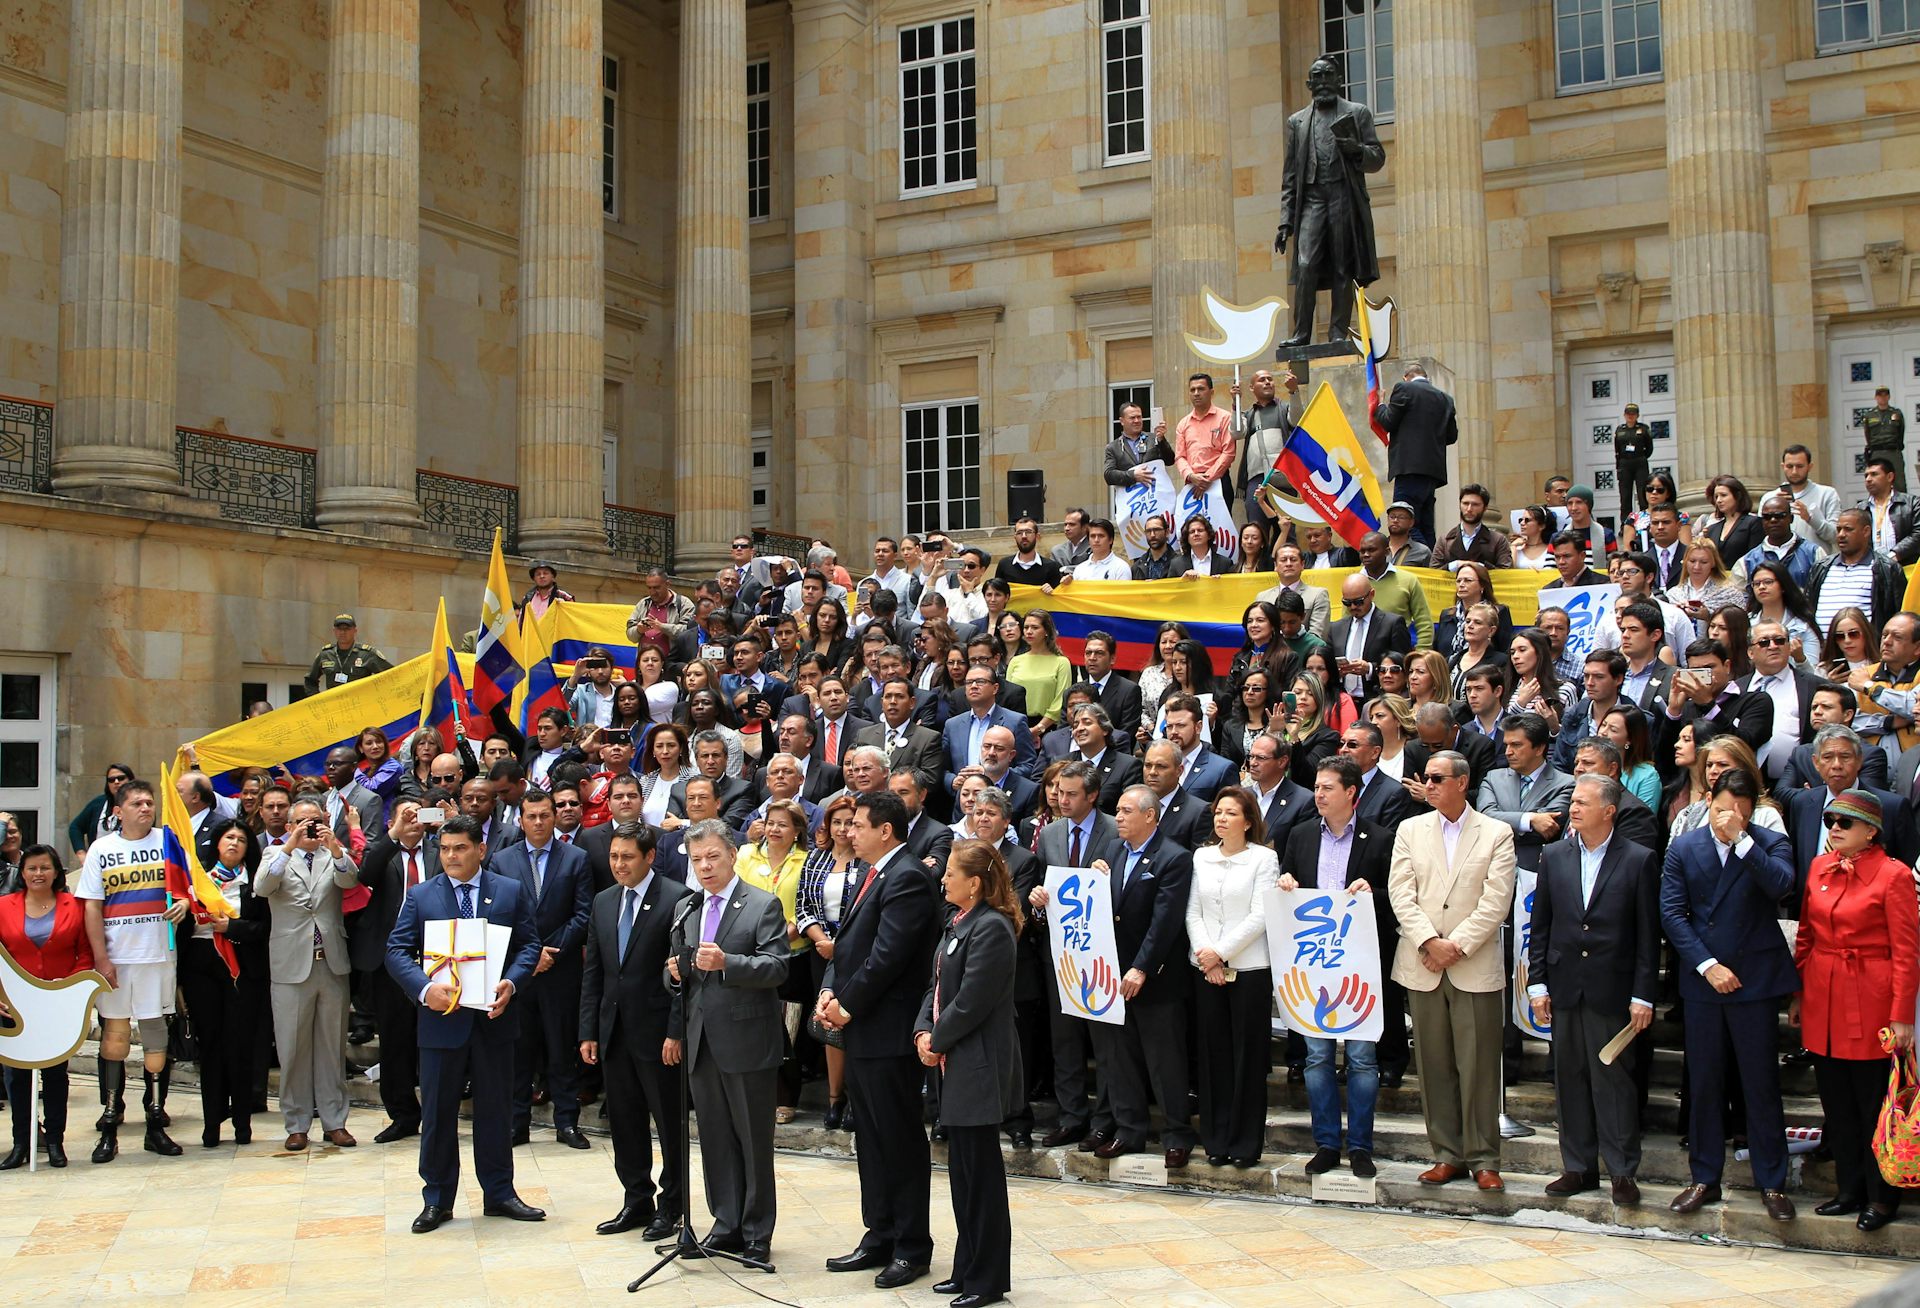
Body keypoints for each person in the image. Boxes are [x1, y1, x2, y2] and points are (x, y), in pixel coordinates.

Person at [389, 815, 545, 1232]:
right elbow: (397, 950)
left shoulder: (509, 891)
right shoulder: (421, 896)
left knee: (496, 1111)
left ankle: (500, 1193)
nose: (452, 856)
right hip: (441, 1022)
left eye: (460, 848)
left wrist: (512, 981)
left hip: (494, 1020)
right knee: (438, 1114)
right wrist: (424, 989)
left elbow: (529, 944)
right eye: (445, 849)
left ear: (480, 849)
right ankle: (437, 1199)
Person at [816, 792, 942, 1288]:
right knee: (869, 1139)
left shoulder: (907, 876)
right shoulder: (872, 872)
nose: (849, 832)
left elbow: (888, 956)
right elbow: (849, 945)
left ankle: (912, 1246)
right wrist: (831, 989)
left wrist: (847, 1004)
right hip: (863, 1029)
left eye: (859, 825)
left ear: (885, 830)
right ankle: (880, 1233)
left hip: (888, 1032)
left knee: (899, 1140)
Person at [1661, 771, 1798, 1220]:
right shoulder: (1686, 846)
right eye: (1723, 808)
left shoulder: (1766, 841)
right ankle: (1704, 1177)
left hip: (1755, 978)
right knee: (1704, 1082)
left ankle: (1772, 1182)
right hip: (1704, 980)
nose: (1730, 817)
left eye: (1740, 810)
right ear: (1708, 801)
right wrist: (1706, 965)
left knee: (1760, 1083)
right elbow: (1673, 912)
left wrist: (1743, 842)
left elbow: (1781, 886)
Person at [1387, 750, 1517, 1191]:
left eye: (1438, 778)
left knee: (1479, 1064)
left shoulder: (1496, 833)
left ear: (1462, 782)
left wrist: (1454, 946)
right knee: (1434, 1063)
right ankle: (1446, 1153)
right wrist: (1428, 940)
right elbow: (1400, 892)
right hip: (1422, 960)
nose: (1430, 783)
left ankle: (1484, 1158)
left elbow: (1496, 902)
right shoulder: (1410, 829)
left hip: (1472, 963)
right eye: (1428, 777)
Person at [662, 821, 789, 1266]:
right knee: (714, 1138)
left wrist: (728, 962)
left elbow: (777, 967)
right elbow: (676, 970)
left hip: (748, 1040)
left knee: (753, 1141)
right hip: (701, 1040)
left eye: (712, 856)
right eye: (696, 860)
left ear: (732, 854)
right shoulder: (687, 908)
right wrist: (673, 973)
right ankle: (725, 1223)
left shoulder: (761, 904)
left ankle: (757, 1231)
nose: (704, 867)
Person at [1528, 774, 1658, 1205]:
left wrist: (1643, 995)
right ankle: (1578, 1167)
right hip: (1565, 985)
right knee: (1570, 1079)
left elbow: (1646, 935)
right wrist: (1537, 983)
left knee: (1613, 1081)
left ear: (1609, 811)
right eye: (1573, 802)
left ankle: (1622, 1171)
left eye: (1583, 802)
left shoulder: (1637, 859)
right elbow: (1542, 926)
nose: (1574, 809)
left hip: (1613, 987)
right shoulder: (1555, 855)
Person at [1793, 789, 1919, 1232]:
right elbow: (1806, 935)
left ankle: (1882, 1197)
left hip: (1871, 996)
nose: (1835, 829)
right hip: (1824, 994)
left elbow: (1907, 951)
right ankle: (1848, 1190)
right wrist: (1799, 995)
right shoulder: (1818, 867)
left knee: (1872, 1103)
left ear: (1871, 831)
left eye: (1845, 822)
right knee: (1836, 1101)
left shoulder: (1893, 875)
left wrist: (1902, 1014)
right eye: (1831, 821)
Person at [915, 839, 1023, 1308]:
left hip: (977, 1063)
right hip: (951, 1061)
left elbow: (973, 1000)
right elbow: (937, 986)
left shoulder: (993, 928)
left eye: (951, 874)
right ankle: (966, 1267)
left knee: (981, 1177)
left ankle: (988, 1278)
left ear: (974, 883)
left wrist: (936, 1039)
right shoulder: (957, 922)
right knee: (961, 1174)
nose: (943, 879)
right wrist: (923, 1029)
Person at [1280, 758, 1393, 1173]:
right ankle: (1326, 1143)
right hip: (1313, 963)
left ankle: (1360, 1145)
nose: (1319, 794)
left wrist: (1372, 892)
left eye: (1328, 788)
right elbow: (1286, 882)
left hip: (1359, 964)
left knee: (1362, 1059)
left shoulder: (1380, 838)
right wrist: (1285, 883)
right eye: (1316, 787)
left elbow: (1395, 898)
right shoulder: (1301, 834)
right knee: (1316, 1058)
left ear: (1351, 792)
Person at [74, 780, 186, 1163]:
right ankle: (110, 1119)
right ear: (118, 811)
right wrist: (101, 958)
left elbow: (188, 887)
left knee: (156, 1039)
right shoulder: (102, 850)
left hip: (158, 955)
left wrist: (185, 903)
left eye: (149, 802)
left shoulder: (168, 842)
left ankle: (155, 1120)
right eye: (136, 802)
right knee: (115, 1040)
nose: (145, 807)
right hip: (118, 958)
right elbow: (91, 906)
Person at [490, 790, 594, 1149]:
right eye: (531, 816)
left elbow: (583, 914)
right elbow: (498, 917)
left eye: (544, 816)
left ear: (554, 818)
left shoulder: (576, 858)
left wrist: (551, 952)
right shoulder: (501, 861)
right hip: (518, 973)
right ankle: (516, 1122)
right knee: (519, 1051)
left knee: (561, 1049)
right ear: (520, 820)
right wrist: (529, 956)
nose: (538, 822)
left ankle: (566, 1122)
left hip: (560, 971)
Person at [257, 798, 360, 1151]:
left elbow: (350, 880)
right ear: (289, 826)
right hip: (290, 963)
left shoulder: (334, 852)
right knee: (292, 1047)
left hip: (329, 961)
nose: (309, 828)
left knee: (332, 1045)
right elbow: (262, 887)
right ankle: (296, 1122)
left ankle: (335, 1121)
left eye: (315, 821)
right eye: (301, 822)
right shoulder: (275, 855)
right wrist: (290, 845)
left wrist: (334, 847)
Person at [1030, 763, 1116, 1145]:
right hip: (1060, 952)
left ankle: (1105, 1119)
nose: (1061, 800)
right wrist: (1036, 903)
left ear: (1092, 795)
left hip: (1102, 953)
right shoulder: (1049, 834)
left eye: (1071, 794)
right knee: (1064, 1041)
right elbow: (1040, 885)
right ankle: (1071, 1116)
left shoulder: (1115, 830)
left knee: (1104, 1041)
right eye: (1059, 793)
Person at [177, 819, 271, 1148]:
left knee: (239, 1048)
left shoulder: (255, 881)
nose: (234, 843)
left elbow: (262, 928)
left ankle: (242, 1124)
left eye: (241, 839)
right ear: (217, 843)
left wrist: (229, 928)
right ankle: (211, 1124)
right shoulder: (198, 879)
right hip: (201, 967)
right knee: (211, 1048)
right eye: (228, 837)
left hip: (242, 969)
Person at [0, 845, 93, 1168]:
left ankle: (55, 1141)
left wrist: (69, 987)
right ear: (22, 873)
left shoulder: (74, 906)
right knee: (17, 1076)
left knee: (55, 1074)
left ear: (56, 872)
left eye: (45, 868)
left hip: (58, 1002)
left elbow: (85, 952)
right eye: (31, 868)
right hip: (15, 1007)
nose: (38, 874)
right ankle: (21, 1144)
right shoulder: (3, 906)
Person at [735, 799, 812, 1121]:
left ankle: (785, 1097)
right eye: (770, 823)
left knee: (785, 1032)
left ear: (796, 831)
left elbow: (806, 904)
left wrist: (780, 936)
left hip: (791, 956)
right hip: (749, 956)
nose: (775, 829)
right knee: (752, 1028)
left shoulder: (807, 861)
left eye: (783, 824)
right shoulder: (745, 855)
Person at [1330, 572, 1414, 704]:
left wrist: (1370, 669)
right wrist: (1336, 671)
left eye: (1358, 602)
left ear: (1372, 594)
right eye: (1347, 603)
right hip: (1342, 701)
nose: (1353, 607)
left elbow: (1404, 663)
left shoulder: (1392, 623)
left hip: (1378, 700)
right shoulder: (1336, 628)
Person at [1356, 530, 1435, 648]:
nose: (1366, 555)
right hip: (1360, 654)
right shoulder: (1354, 583)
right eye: (1362, 551)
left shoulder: (1409, 580)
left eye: (1371, 550)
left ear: (1387, 552)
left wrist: (1421, 653)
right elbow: (1346, 623)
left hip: (1398, 651)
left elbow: (1424, 622)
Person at [1174, 373, 1234, 509]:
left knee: (1220, 528)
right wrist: (1190, 475)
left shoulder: (1225, 418)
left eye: (1201, 389)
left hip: (1219, 481)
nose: (1196, 393)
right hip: (1192, 482)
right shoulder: (1183, 424)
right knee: (1194, 528)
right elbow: (1180, 457)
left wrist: (1208, 478)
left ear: (1211, 392)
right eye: (1192, 390)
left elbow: (1228, 453)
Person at [1007, 610, 1073, 732]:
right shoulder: (1015, 661)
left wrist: (1038, 729)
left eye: (1035, 627)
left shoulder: (1061, 662)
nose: (1029, 631)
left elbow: (1060, 702)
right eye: (1026, 627)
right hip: (1015, 726)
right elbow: (1007, 697)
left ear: (1046, 631)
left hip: (1048, 728)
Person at [1665, 540, 1745, 640]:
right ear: (1685, 562)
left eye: (1704, 562)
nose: (1697, 567)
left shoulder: (1730, 593)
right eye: (1692, 561)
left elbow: (1740, 625)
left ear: (1713, 563)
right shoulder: (1673, 594)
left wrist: (1709, 616)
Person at [304, 612, 393, 694]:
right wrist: (317, 701)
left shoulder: (367, 654)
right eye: (339, 629)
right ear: (334, 631)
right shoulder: (325, 654)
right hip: (334, 707)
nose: (343, 632)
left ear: (355, 631)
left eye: (347, 629)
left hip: (359, 707)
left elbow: (391, 676)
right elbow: (310, 680)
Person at [1431, 483, 1513, 570]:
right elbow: (1433, 572)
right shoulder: (1444, 540)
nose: (1469, 509)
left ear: (1485, 508)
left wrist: (1479, 567)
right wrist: (1453, 565)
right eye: (1465, 503)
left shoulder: (1498, 540)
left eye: (1475, 504)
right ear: (1460, 505)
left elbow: (1505, 574)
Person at [67, 763, 132, 856]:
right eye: (111, 780)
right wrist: (81, 854)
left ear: (130, 780)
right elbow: (75, 827)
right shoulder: (99, 803)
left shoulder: (141, 804)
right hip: (100, 862)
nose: (116, 782)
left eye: (121, 778)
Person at [1613, 402, 1654, 521]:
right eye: (1628, 414)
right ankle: (1625, 523)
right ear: (1624, 415)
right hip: (1625, 464)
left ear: (1637, 415)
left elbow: (1649, 448)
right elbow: (1617, 450)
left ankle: (1644, 520)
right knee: (1625, 496)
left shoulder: (1643, 429)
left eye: (1633, 414)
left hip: (1639, 463)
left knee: (1642, 493)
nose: (1630, 416)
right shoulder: (1620, 430)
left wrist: (1641, 457)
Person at [1862, 384, 1907, 493]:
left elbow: (1901, 432)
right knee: (1876, 481)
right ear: (1876, 397)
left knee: (1898, 482)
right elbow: (1867, 434)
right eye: (1880, 395)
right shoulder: (1869, 415)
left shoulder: (1896, 413)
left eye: (1885, 395)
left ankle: (1903, 508)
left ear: (1888, 397)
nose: (1882, 398)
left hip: (1893, 451)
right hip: (1877, 452)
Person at [1171, 511, 1234, 577]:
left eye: (1200, 530)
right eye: (1192, 532)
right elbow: (1169, 587)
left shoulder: (1225, 563)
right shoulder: (1176, 564)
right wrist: (1182, 580)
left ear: (1209, 535)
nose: (1196, 534)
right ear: (1187, 537)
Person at [1510, 505, 1556, 570]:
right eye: (1521, 520)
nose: (1522, 523)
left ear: (1542, 526)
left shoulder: (1551, 550)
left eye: (1527, 520)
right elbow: (1508, 572)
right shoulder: (1516, 548)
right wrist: (1513, 546)